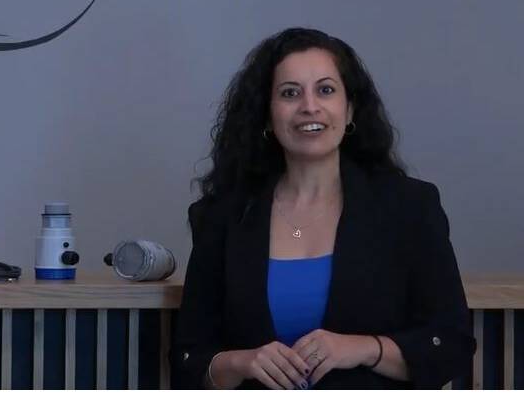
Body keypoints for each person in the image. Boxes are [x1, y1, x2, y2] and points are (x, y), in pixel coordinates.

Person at [172, 27, 474, 389]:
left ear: (350, 110)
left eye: (326, 90)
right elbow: (188, 358)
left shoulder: (410, 207)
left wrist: (364, 348)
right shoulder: (221, 215)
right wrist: (241, 361)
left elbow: (450, 344)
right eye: (290, 93)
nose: (309, 106)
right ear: (267, 115)